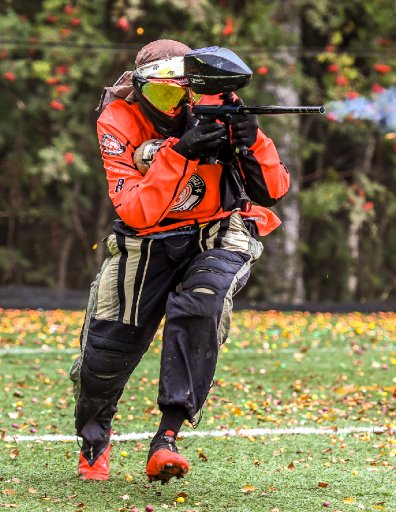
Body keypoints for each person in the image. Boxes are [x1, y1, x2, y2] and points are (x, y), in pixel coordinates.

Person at [69, 39, 290, 483]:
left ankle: (166, 438)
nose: (176, 105)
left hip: (216, 228)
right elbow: (134, 210)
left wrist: (253, 142)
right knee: (106, 354)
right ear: (140, 88)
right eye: (164, 94)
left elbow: (274, 189)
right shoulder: (116, 119)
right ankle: (94, 439)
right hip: (145, 239)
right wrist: (180, 152)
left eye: (184, 92)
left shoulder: (217, 101)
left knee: (203, 305)